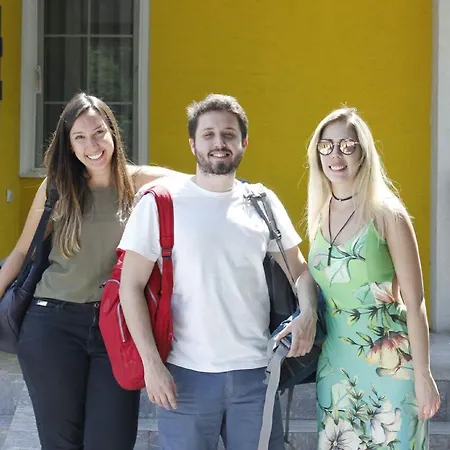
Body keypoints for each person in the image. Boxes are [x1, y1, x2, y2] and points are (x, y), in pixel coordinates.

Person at [118, 93, 319, 450]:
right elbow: (129, 286)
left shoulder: (262, 202)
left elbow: (299, 270)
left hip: (256, 375)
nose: (219, 143)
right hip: (184, 376)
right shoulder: (161, 203)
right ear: (192, 143)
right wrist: (151, 364)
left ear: (244, 143)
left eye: (228, 134)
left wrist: (309, 313)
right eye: (208, 134)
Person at [0, 92, 184, 450]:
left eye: (99, 132)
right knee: (61, 442)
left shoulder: (140, 183)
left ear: (113, 132)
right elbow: (22, 251)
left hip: (117, 327)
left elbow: (201, 185)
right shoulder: (57, 187)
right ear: (69, 145)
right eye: (80, 137)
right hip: (52, 325)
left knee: (112, 440)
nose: (93, 145)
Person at [306, 107, 440, 450]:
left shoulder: (387, 215)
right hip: (335, 368)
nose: (336, 155)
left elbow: (416, 302)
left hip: (392, 368)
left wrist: (423, 374)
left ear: (363, 152)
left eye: (347, 146)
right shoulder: (319, 214)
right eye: (326, 146)